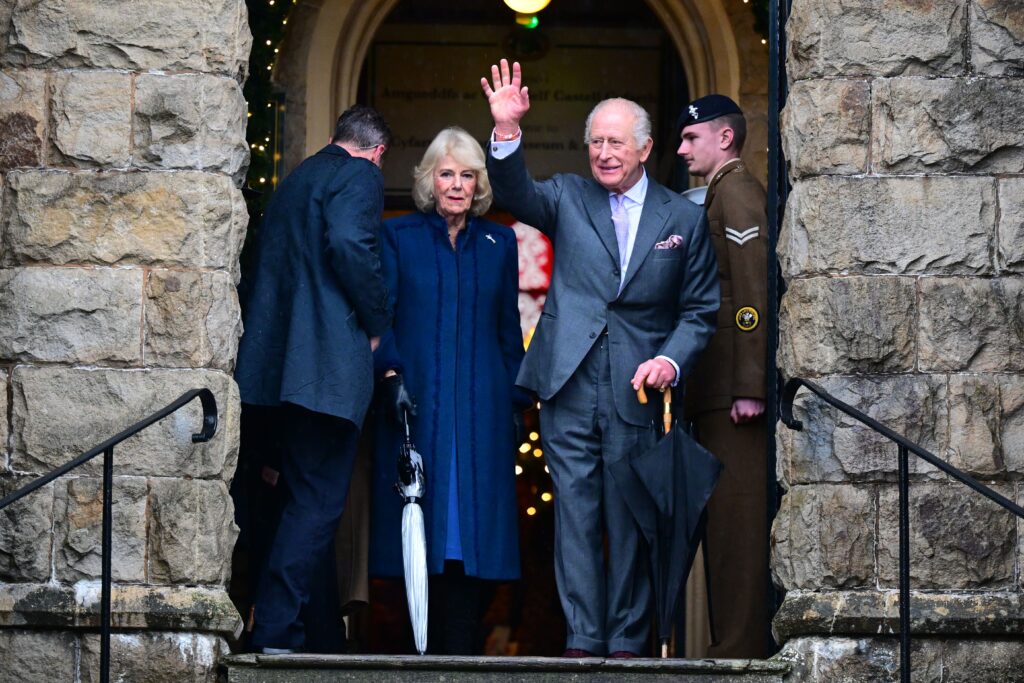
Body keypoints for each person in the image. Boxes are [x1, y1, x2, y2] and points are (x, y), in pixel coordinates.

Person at [479, 60, 720, 658]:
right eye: (595, 142)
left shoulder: (682, 218)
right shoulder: (566, 196)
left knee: (631, 516)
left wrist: (669, 361)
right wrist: (506, 131)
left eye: (615, 142)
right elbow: (515, 192)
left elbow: (699, 311)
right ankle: (585, 638)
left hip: (638, 388)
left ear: (645, 149)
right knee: (576, 516)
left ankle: (629, 641)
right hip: (566, 383)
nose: (604, 153)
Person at [234, 105, 393, 654]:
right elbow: (350, 244)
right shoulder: (361, 174)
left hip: (279, 372)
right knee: (318, 505)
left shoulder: (297, 178)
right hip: (327, 371)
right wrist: (376, 321)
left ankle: (301, 630)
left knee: (301, 499)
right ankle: (277, 629)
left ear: (335, 137)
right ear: (378, 152)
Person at [369, 127, 527, 655]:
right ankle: (430, 654)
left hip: (482, 411)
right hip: (418, 408)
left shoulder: (499, 243)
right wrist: (390, 376)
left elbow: (508, 330)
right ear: (429, 181)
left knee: (475, 537)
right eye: (446, 174)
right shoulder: (398, 236)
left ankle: (461, 653)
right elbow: (381, 316)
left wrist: (517, 403)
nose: (457, 185)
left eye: (467, 175)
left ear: (479, 183)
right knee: (423, 530)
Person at [677, 94, 770, 658]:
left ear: (725, 138)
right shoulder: (719, 192)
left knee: (737, 526)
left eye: (691, 138)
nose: (682, 148)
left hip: (734, 398)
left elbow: (752, 295)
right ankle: (729, 643)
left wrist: (749, 387)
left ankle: (739, 648)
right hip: (716, 394)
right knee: (721, 524)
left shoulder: (736, 193)